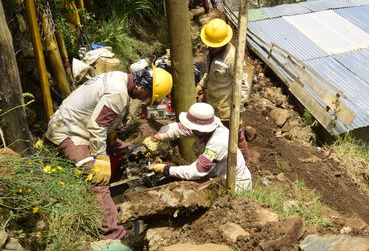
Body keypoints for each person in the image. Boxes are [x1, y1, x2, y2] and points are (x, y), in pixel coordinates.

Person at [45, 66, 173, 240]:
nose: (146, 101)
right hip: (69, 132)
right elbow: (97, 126)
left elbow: (100, 118)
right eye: (148, 97)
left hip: (81, 126)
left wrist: (111, 134)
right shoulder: (117, 93)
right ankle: (113, 234)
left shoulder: (119, 77)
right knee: (98, 181)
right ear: (141, 87)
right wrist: (101, 157)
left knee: (127, 148)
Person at [143, 102, 252, 191]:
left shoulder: (217, 143)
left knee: (183, 190)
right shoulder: (207, 127)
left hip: (233, 186)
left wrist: (166, 169)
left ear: (201, 128)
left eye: (192, 126)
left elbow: (195, 172)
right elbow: (178, 128)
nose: (190, 128)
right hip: (214, 175)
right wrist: (157, 137)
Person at [196, 18, 250, 163]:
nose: (210, 47)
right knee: (216, 137)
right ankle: (219, 163)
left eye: (213, 45)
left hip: (227, 110)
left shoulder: (233, 58)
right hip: (214, 107)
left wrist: (236, 109)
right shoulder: (211, 53)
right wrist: (201, 86)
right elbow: (210, 73)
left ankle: (244, 167)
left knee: (236, 138)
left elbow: (243, 86)